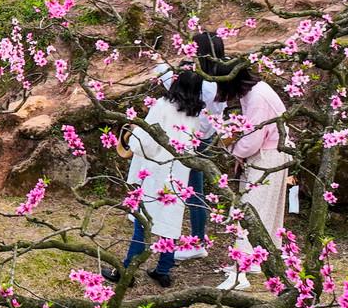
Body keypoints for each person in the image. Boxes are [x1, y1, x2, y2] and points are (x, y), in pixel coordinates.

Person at [105, 70, 204, 287]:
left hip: (157, 169)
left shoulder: (162, 105)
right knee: (170, 220)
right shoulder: (195, 113)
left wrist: (131, 141)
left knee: (145, 220)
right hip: (178, 171)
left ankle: (126, 270)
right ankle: (163, 269)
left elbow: (146, 139)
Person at [215, 62, 291, 291]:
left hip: (267, 156)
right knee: (264, 211)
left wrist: (233, 150)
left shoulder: (257, 97)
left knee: (248, 212)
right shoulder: (256, 90)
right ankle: (258, 259)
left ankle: (240, 272)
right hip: (273, 153)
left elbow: (252, 140)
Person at [154, 31, 227, 262]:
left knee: (193, 191)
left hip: (195, 139)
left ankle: (197, 241)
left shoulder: (206, 84)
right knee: (192, 189)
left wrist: (161, 67)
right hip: (203, 136)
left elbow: (178, 89)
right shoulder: (221, 76)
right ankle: (195, 237)